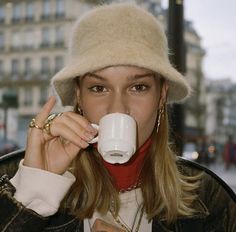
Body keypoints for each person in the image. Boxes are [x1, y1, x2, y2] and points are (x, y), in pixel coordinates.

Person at [0, 3, 235, 232]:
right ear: (79, 96)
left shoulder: (210, 199)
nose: (118, 109)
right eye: (99, 88)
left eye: (138, 87)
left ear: (162, 94)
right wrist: (34, 192)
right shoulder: (15, 179)